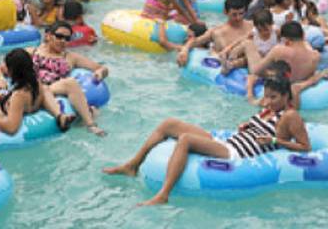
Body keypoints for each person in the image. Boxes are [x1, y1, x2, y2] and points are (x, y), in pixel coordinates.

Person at [103, 77, 309, 206]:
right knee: (169, 123)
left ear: (285, 96)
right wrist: (247, 126)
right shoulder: (268, 110)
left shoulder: (290, 116)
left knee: (186, 139)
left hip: (236, 154)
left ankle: (163, 194)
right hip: (230, 142)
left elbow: (305, 147)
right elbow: (260, 125)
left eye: (273, 97)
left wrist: (273, 139)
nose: (268, 101)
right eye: (266, 97)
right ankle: (132, 165)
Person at [0, 22, 106, 135]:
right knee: (41, 87)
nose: (63, 41)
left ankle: (90, 125)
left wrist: (100, 73)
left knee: (69, 83)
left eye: (67, 38)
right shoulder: (32, 51)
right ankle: (72, 115)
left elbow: (100, 67)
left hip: (52, 87)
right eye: (59, 36)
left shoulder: (71, 57)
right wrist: (1, 80)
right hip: (28, 88)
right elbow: (1, 69)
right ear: (48, 36)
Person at [0, 48, 73, 134]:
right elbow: (22, 103)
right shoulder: (36, 82)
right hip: (4, 106)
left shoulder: (19, 95)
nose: (4, 68)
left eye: (7, 66)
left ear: (12, 70)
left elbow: (11, 128)